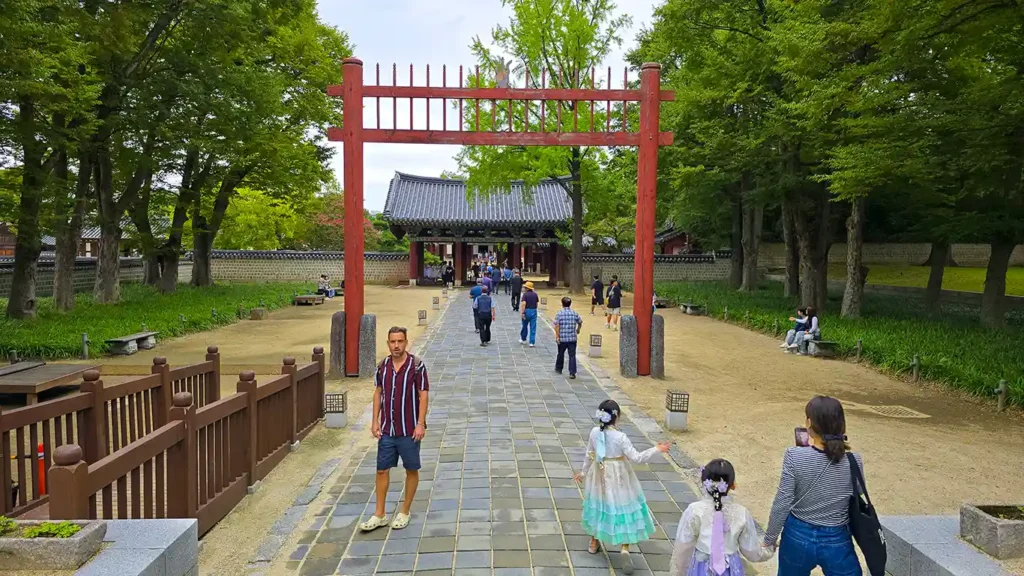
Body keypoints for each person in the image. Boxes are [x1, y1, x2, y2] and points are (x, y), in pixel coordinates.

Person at [763, 396, 865, 576]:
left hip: (797, 534)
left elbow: (783, 501)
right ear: (842, 424)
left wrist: (770, 538)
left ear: (809, 423)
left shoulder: (794, 456)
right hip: (837, 537)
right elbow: (856, 495)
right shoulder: (854, 461)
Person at [574, 399, 671, 574]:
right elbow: (637, 458)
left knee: (600, 505)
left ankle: (594, 542)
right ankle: (625, 547)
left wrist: (583, 472)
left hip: (599, 475)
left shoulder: (595, 432)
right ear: (616, 416)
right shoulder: (620, 437)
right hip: (619, 476)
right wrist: (656, 449)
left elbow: (589, 454)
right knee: (624, 507)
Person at [359, 327, 429, 533]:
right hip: (388, 428)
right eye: (392, 341)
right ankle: (379, 513)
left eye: (400, 341)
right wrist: (375, 421)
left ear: (406, 342)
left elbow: (423, 395)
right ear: (388, 343)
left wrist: (420, 423)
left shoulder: (416, 366)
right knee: (381, 469)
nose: (396, 345)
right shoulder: (383, 367)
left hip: (409, 429)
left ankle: (405, 510)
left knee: (411, 469)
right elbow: (378, 393)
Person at [668, 459, 774, 576]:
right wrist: (769, 549)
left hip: (701, 567)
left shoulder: (694, 511)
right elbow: (751, 551)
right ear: (733, 485)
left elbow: (684, 547)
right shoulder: (741, 513)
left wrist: (679, 571)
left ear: (704, 482)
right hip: (731, 569)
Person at [554, 296, 583, 378]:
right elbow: (580, 322)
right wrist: (578, 329)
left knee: (560, 353)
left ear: (562, 304)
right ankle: (572, 372)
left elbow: (556, 325)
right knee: (572, 355)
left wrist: (557, 336)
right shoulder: (574, 313)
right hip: (572, 338)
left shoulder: (559, 313)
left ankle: (559, 368)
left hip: (562, 337)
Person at [520, 281, 539, 347]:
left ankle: (524, 339)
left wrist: (523, 312)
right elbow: (536, 304)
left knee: (524, 325)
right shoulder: (535, 294)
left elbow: (523, 304)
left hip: (527, 310)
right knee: (533, 327)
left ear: (527, 288)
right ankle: (532, 342)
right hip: (534, 311)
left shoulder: (525, 295)